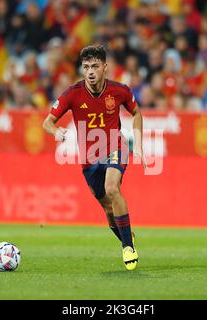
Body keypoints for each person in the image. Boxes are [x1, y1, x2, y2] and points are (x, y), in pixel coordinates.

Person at [43, 45, 145, 271]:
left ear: (105, 68)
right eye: (86, 66)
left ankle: (128, 247)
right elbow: (47, 122)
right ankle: (127, 236)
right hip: (90, 159)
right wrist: (56, 131)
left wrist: (137, 143)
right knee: (108, 211)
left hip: (115, 146)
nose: (90, 71)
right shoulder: (72, 93)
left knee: (112, 188)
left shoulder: (120, 91)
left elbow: (136, 113)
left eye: (95, 66)